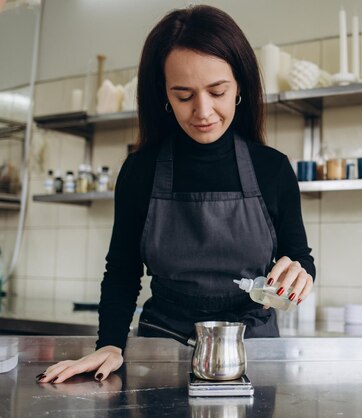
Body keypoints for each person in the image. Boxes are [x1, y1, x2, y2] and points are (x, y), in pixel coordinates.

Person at [36, 4, 315, 384]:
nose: (203, 111)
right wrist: (110, 343)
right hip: (160, 352)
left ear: (240, 88)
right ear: (164, 95)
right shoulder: (141, 170)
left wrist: (299, 274)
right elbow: (122, 271)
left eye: (217, 91)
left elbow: (298, 258)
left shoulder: (272, 169)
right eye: (184, 96)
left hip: (250, 353)